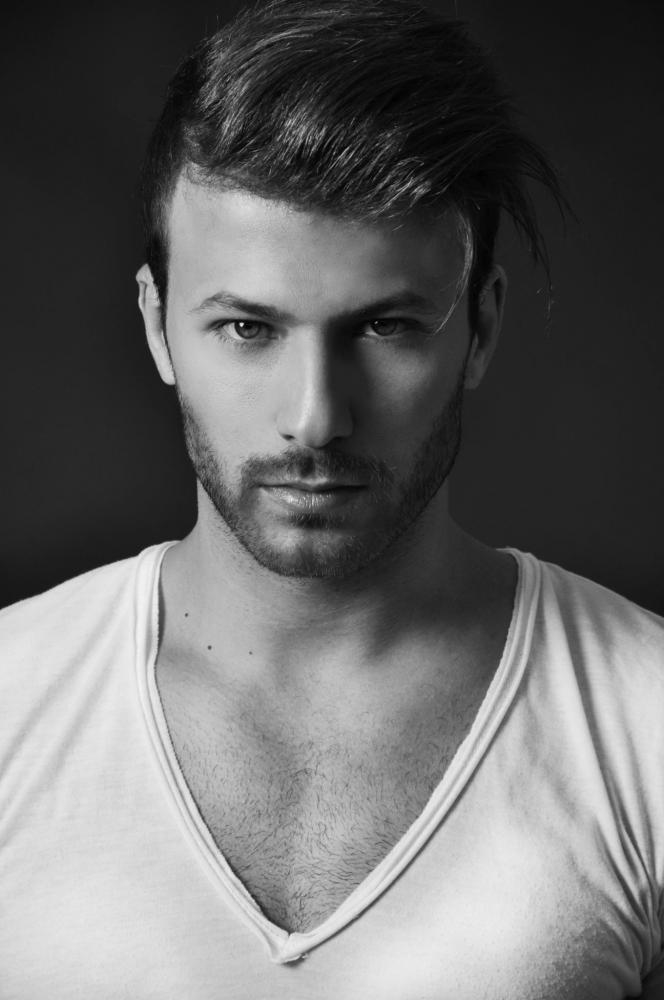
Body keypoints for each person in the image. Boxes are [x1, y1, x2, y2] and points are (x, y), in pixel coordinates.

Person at [1, 0, 662, 996]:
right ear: (156, 326)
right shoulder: (12, 702)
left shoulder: (644, 722)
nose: (314, 418)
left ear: (480, 330)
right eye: (246, 329)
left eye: (386, 327)